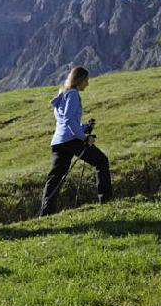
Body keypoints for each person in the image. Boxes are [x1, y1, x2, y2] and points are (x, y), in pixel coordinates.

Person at [39, 66, 111, 216]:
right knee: (102, 161)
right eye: (86, 80)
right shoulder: (73, 94)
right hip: (71, 140)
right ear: (80, 80)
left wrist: (85, 127)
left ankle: (46, 212)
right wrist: (85, 137)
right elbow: (69, 119)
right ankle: (105, 201)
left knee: (55, 177)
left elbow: (65, 122)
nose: (88, 83)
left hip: (58, 142)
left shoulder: (63, 94)